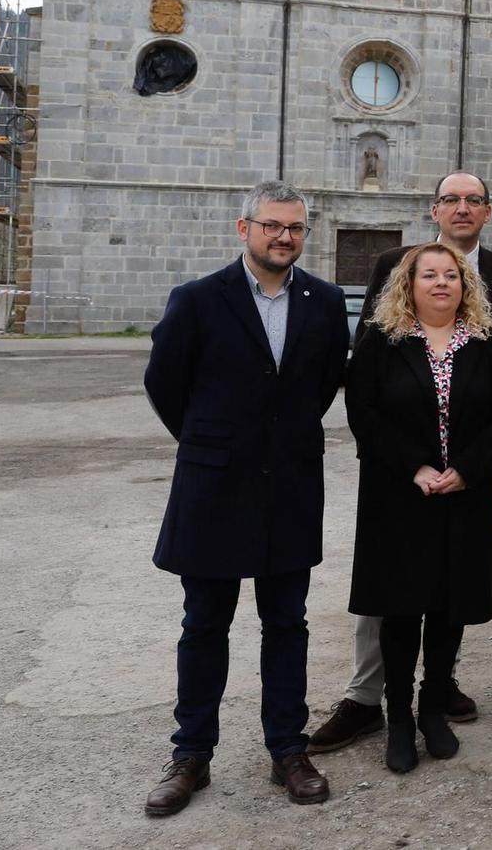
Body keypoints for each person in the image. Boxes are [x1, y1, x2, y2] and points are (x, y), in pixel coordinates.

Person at [140, 182, 348, 817]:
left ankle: (288, 748)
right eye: (272, 226)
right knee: (204, 625)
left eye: (295, 228)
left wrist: (275, 441)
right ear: (244, 229)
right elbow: (165, 383)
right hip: (214, 488)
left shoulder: (326, 301)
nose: (283, 237)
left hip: (289, 486)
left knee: (287, 623)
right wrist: (217, 441)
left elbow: (322, 385)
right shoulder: (199, 300)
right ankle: (191, 755)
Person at [312, 170, 492, 752]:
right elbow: (365, 400)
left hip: (465, 486)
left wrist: (476, 471)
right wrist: (411, 465)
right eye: (451, 199)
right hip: (401, 488)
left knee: (448, 599)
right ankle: (378, 707)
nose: (440, 281)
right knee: (394, 604)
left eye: (473, 200)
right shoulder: (386, 319)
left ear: (487, 210)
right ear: (434, 210)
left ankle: (435, 702)